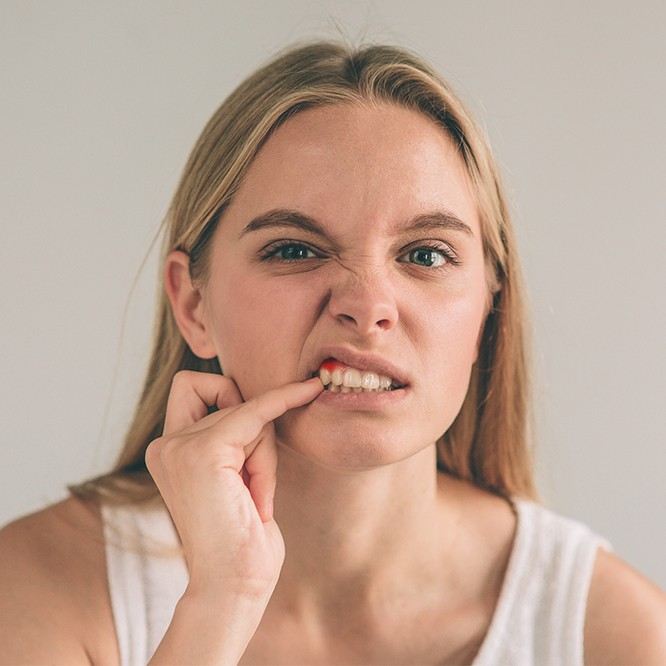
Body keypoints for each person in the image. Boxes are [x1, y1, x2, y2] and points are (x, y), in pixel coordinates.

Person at [1, 39, 665, 666]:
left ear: (491, 310)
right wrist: (219, 605)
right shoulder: (38, 588)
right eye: (295, 249)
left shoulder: (617, 635)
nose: (367, 303)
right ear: (192, 305)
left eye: (426, 255)